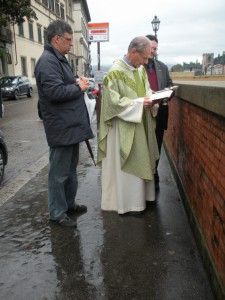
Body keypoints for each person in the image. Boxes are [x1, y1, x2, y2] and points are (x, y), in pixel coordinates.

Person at [35, 20, 94, 228]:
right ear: (56, 39)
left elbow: (63, 85)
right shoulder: (48, 61)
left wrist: (78, 82)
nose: (71, 44)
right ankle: (57, 213)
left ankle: (68, 205)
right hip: (61, 127)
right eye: (68, 40)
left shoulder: (57, 59)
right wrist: (78, 87)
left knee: (69, 169)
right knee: (59, 174)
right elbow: (54, 92)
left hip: (69, 126)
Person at [97, 36, 159, 215]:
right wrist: (139, 104)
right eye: (145, 58)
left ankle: (142, 200)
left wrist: (152, 98)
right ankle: (127, 203)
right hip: (122, 128)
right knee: (126, 164)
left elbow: (147, 88)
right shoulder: (114, 72)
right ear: (133, 52)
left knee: (142, 158)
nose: (147, 62)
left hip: (141, 123)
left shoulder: (140, 70)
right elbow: (112, 103)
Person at [144, 34, 173, 190]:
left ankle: (154, 174)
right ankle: (144, 177)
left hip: (160, 112)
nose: (154, 51)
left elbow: (170, 85)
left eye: (155, 48)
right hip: (144, 112)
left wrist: (168, 92)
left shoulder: (163, 67)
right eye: (152, 48)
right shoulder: (137, 66)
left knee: (157, 144)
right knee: (144, 146)